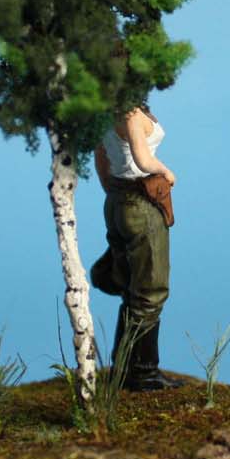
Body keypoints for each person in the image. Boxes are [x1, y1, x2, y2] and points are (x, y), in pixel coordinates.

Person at [90, 103, 184, 391]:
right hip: (141, 203)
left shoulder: (104, 111)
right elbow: (143, 159)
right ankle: (142, 372)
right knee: (150, 292)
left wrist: (112, 190)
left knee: (132, 289)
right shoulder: (129, 113)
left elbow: (100, 155)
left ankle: (122, 367)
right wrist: (166, 172)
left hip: (117, 201)